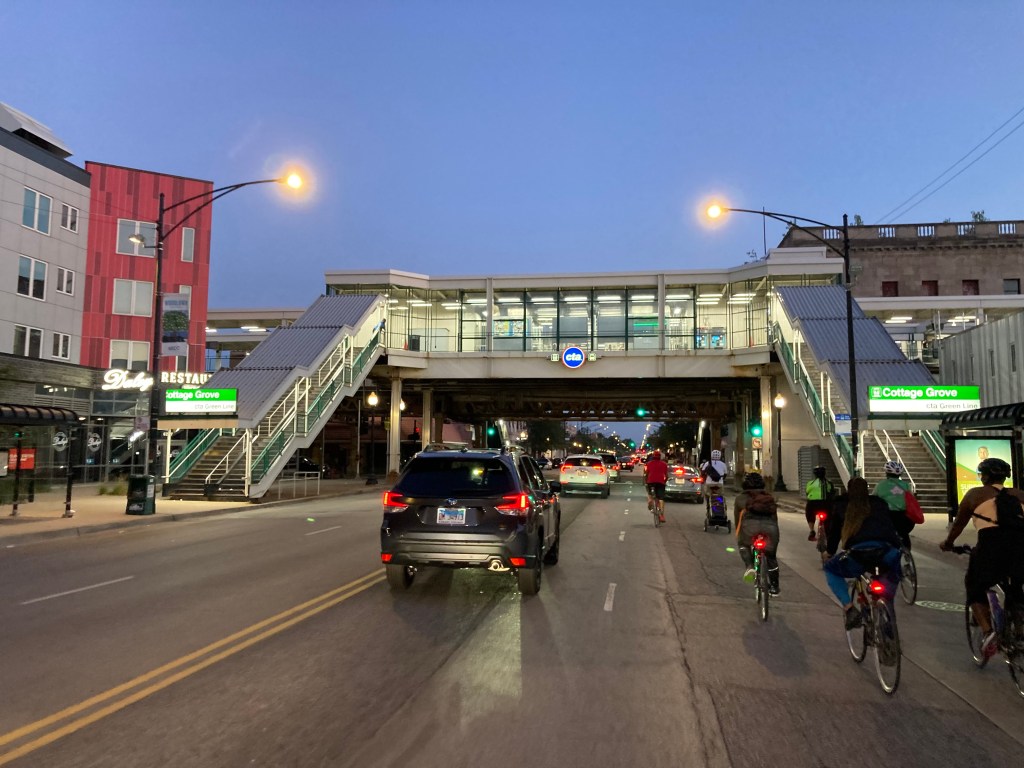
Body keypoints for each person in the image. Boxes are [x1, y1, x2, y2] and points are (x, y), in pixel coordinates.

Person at [940, 457, 1024, 658]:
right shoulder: (1020, 494)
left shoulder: (974, 495)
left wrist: (948, 544)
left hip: (992, 546)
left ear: (984, 476)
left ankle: (988, 632)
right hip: (1021, 546)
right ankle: (1019, 631)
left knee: (975, 585)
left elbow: (958, 526)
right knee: (1016, 587)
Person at [823, 477, 903, 630]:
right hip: (886, 551)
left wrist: (829, 552)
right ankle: (887, 618)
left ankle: (849, 608)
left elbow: (834, 534)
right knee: (889, 581)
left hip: (858, 555)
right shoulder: (880, 503)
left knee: (830, 569)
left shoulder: (842, 505)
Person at [734, 472, 781, 595]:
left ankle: (750, 566)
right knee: (771, 556)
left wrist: (739, 535)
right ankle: (775, 587)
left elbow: (737, 520)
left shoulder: (740, 499)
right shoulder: (769, 497)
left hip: (750, 528)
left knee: (743, 544)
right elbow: (775, 519)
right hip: (770, 529)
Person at [872, 460, 914, 549]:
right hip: (904, 517)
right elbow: (911, 498)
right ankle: (907, 555)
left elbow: (873, 499)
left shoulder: (880, 485)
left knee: (882, 535)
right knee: (903, 534)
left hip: (887, 516)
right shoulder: (906, 485)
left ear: (886, 473)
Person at [804, 466, 836, 542]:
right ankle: (828, 533)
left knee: (809, 513)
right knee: (830, 517)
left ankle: (812, 530)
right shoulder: (829, 483)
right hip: (826, 505)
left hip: (813, 505)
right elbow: (833, 493)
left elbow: (807, 493)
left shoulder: (810, 483)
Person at [643, 449, 669, 523]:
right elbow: (666, 476)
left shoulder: (648, 464)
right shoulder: (664, 464)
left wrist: (646, 482)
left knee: (650, 494)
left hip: (650, 482)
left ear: (653, 456)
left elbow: (646, 474)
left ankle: (650, 502)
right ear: (660, 457)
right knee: (661, 498)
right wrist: (664, 481)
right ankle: (661, 515)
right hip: (660, 482)